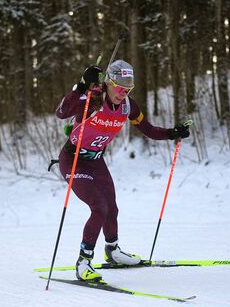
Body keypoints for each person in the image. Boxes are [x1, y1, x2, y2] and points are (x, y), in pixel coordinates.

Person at [55, 60, 190, 282]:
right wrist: (81, 86)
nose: (122, 93)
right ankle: (83, 262)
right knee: (99, 207)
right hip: (73, 160)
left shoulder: (128, 106)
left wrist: (172, 132)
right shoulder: (92, 99)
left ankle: (113, 252)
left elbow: (147, 129)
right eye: (119, 88)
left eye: (127, 89)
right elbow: (61, 112)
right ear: (109, 82)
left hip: (96, 161)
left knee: (112, 208)